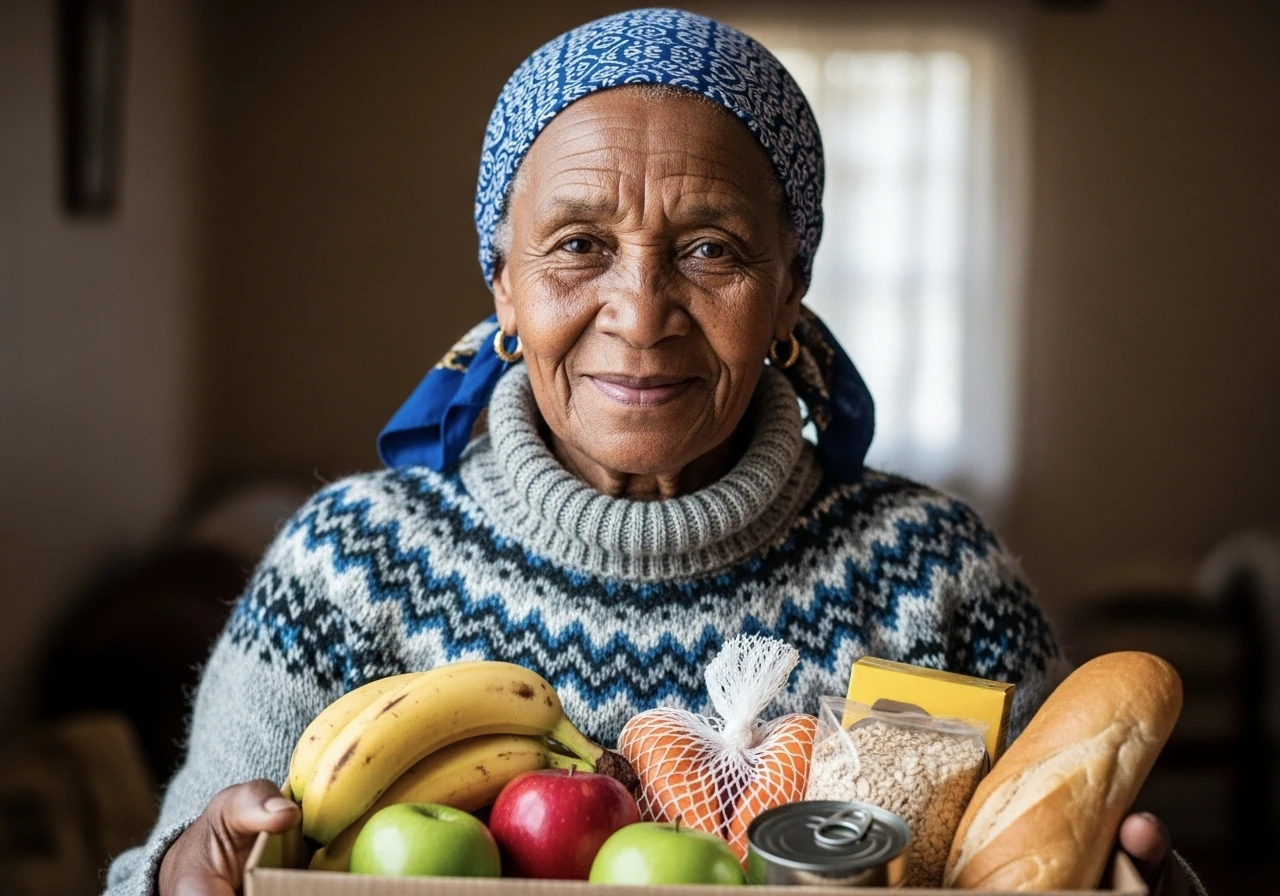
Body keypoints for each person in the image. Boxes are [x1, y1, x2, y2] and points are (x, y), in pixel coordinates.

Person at [103, 9, 1201, 896]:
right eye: (578, 246)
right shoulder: (347, 561)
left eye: (709, 248)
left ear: (788, 287)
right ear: (504, 286)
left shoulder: (938, 571)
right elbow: (168, 865)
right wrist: (181, 874)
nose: (639, 311)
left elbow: (1059, 852)